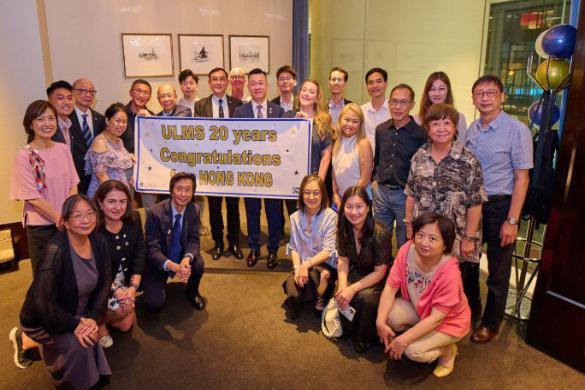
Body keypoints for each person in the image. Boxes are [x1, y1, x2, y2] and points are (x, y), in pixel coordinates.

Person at [10, 194, 112, 388]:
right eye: (77, 215)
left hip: (78, 310)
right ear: (64, 221)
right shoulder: (54, 250)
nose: (86, 220)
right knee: (82, 342)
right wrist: (75, 324)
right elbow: (43, 304)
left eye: (90, 213)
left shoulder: (99, 242)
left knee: (89, 333)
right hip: (44, 318)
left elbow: (105, 284)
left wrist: (92, 317)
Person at [465, 75, 532, 344]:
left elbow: (522, 179)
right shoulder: (472, 129)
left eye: (490, 92)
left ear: (502, 96)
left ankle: (491, 323)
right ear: (473, 98)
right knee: (468, 262)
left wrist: (512, 220)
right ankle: (472, 309)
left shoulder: (518, 131)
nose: (484, 97)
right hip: (471, 207)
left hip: (499, 206)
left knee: (498, 270)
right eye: (479, 93)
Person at [405, 103, 486, 305]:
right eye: (435, 124)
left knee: (454, 289)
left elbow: (475, 203)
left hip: (457, 239)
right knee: (426, 282)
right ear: (428, 128)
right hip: (425, 237)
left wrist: (470, 237)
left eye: (447, 123)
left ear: (455, 127)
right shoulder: (419, 156)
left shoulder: (468, 160)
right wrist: (408, 225)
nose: (441, 129)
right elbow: (411, 193)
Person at [376, 212, 470, 378]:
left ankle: (446, 351)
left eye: (433, 239)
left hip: (449, 323)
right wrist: (380, 321)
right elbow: (390, 287)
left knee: (413, 351)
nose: (424, 243)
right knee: (389, 315)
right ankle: (423, 336)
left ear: (445, 245)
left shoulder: (449, 273)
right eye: (420, 235)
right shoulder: (407, 250)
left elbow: (437, 319)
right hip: (421, 311)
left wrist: (403, 340)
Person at [9, 100, 79, 273]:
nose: (47, 124)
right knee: (45, 277)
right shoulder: (24, 156)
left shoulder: (63, 149)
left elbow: (73, 184)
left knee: (69, 272)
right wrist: (60, 219)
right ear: (30, 124)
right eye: (41, 119)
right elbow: (33, 198)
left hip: (67, 221)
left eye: (51, 118)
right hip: (42, 227)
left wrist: (68, 215)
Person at [234, 68, 285, 269]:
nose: (257, 87)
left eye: (260, 83)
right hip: (250, 173)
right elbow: (236, 142)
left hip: (273, 174)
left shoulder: (278, 111)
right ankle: (254, 248)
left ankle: (273, 250)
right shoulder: (240, 112)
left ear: (267, 85)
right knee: (252, 212)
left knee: (273, 212)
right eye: (253, 83)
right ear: (249, 86)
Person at [194, 67, 244, 260]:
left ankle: (233, 242)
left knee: (233, 207)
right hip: (211, 165)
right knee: (214, 207)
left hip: (232, 165)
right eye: (214, 79)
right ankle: (218, 242)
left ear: (227, 82)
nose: (218, 83)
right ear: (209, 82)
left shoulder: (238, 104)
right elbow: (198, 133)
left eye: (222, 79)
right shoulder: (201, 106)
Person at [336, 186, 392, 353]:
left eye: (359, 206)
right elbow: (343, 260)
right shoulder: (343, 228)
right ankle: (349, 332)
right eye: (349, 206)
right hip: (357, 270)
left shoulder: (380, 232)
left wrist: (352, 288)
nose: (354, 212)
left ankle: (366, 338)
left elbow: (380, 272)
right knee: (339, 292)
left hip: (379, 277)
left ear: (368, 208)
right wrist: (343, 286)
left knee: (364, 299)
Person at [372, 84, 427, 249]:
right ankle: (382, 273)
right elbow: (378, 158)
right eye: (394, 101)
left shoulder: (421, 134)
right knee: (380, 239)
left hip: (405, 197)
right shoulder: (381, 130)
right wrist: (375, 182)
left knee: (405, 241)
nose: (397, 107)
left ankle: (401, 273)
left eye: (403, 102)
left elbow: (422, 171)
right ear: (388, 103)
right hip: (381, 193)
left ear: (412, 105)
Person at [143, 172, 206, 311]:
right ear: (171, 191)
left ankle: (192, 291)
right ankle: (158, 285)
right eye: (179, 189)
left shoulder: (194, 209)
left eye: (188, 190)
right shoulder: (155, 213)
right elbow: (152, 249)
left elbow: (194, 240)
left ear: (193, 192)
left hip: (180, 253)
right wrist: (172, 266)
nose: (183, 194)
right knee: (153, 305)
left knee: (198, 263)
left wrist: (186, 259)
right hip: (160, 259)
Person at [94, 180, 146, 348]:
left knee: (125, 324)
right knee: (121, 311)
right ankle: (98, 322)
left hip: (125, 282)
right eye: (111, 201)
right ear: (100, 203)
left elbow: (140, 252)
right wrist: (115, 290)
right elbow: (95, 270)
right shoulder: (92, 228)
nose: (118, 207)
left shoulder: (134, 218)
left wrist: (132, 288)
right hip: (100, 284)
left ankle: (104, 315)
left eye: (122, 201)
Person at [283, 175, 338, 318]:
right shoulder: (295, 217)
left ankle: (322, 290)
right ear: (301, 194)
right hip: (302, 264)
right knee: (293, 295)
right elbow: (294, 247)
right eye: (307, 192)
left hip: (324, 263)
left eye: (316, 193)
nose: (311, 197)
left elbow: (328, 251)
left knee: (315, 276)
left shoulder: (331, 216)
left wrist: (306, 265)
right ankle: (316, 289)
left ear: (323, 194)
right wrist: (297, 268)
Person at [283, 79, 334, 215]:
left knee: (315, 219)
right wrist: (296, 124)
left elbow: (326, 156)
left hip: (314, 178)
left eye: (311, 92)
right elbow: (282, 148)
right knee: (295, 218)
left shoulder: (324, 121)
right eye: (304, 90)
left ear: (317, 98)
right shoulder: (288, 117)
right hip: (292, 179)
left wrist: (319, 184)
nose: (306, 94)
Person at [47, 80, 90, 195]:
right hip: (52, 189)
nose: (66, 102)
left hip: (69, 187)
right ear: (50, 101)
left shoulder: (69, 126)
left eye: (70, 98)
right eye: (60, 98)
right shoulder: (47, 129)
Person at [85, 102, 134, 199]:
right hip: (106, 195)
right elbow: (101, 176)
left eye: (124, 122)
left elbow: (124, 160)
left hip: (120, 193)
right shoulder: (100, 142)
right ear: (107, 120)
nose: (121, 125)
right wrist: (115, 196)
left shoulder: (119, 141)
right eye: (117, 120)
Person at [331, 103, 373, 209]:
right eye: (347, 119)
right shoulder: (337, 142)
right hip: (340, 199)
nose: (350, 124)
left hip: (358, 199)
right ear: (340, 120)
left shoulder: (363, 143)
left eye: (355, 121)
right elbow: (335, 171)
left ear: (360, 124)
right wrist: (335, 194)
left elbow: (365, 178)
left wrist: (349, 200)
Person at [71, 78, 106, 194]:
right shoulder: (66, 119)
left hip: (96, 179)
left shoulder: (100, 119)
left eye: (91, 91)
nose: (88, 95)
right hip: (74, 180)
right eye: (83, 90)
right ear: (73, 92)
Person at [414, 72, 468, 141]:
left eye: (441, 89)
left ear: (448, 91)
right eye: (432, 89)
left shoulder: (460, 118)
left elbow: (461, 146)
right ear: (427, 93)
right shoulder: (416, 119)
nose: (437, 93)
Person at [361, 68, 390, 156]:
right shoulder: (361, 111)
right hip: (365, 158)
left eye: (378, 81)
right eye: (371, 83)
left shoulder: (394, 110)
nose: (375, 86)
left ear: (386, 84)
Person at [124, 79, 155, 154]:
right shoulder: (120, 113)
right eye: (138, 91)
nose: (141, 95)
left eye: (145, 92)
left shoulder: (153, 117)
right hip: (123, 162)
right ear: (130, 93)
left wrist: (151, 121)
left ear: (150, 97)